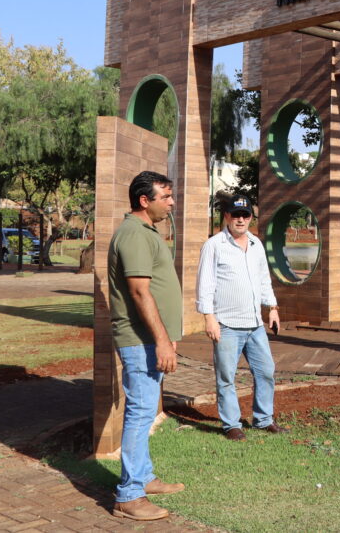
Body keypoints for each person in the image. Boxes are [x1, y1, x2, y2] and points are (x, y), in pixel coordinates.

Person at [108, 171, 185, 521]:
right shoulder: (134, 235)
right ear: (144, 200)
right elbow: (139, 292)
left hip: (150, 340)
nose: (171, 203)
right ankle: (129, 495)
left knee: (145, 410)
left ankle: (144, 477)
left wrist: (167, 336)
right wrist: (161, 340)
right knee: (139, 413)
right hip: (140, 341)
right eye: (165, 197)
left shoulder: (145, 232)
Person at [196, 194, 289, 441]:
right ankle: (231, 425)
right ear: (227, 216)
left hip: (255, 324)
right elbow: (205, 284)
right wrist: (209, 318)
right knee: (226, 377)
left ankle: (264, 419)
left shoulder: (256, 244)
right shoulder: (214, 245)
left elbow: (264, 279)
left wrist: (273, 308)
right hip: (226, 324)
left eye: (245, 215)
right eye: (236, 215)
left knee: (266, 371)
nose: (240, 219)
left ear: (250, 218)